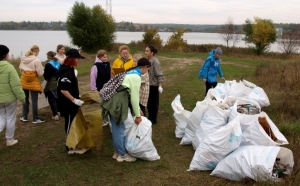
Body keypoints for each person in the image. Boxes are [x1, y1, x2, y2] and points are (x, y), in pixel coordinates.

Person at [101, 58, 151, 162]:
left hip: (112, 101)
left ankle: (117, 152)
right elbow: (134, 97)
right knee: (119, 128)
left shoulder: (129, 73)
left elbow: (132, 95)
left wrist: (137, 109)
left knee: (117, 127)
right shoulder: (136, 77)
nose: (147, 71)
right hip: (117, 102)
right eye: (148, 69)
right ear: (145, 67)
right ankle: (122, 155)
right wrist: (137, 115)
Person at [56, 48, 86, 154]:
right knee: (69, 123)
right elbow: (63, 90)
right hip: (67, 103)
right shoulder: (66, 72)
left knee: (73, 122)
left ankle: (73, 142)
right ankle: (69, 146)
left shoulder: (70, 69)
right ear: (72, 59)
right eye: (77, 58)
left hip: (72, 102)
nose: (78, 61)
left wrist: (77, 95)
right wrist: (74, 100)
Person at [0, 45, 26, 146]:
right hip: (9, 99)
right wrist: (22, 98)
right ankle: (9, 139)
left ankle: (9, 139)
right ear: (5, 55)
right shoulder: (9, 67)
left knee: (1, 117)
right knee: (10, 118)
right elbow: (15, 85)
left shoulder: (9, 67)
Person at [19, 45, 45, 123]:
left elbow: (20, 69)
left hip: (24, 80)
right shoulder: (37, 60)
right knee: (34, 100)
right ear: (36, 52)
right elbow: (40, 73)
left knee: (25, 99)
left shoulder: (23, 59)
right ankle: (35, 117)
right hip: (33, 80)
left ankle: (24, 116)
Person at [90, 50, 111, 126]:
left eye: (106, 57)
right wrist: (94, 89)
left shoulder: (108, 64)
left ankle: (107, 118)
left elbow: (110, 75)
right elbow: (93, 78)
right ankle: (102, 120)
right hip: (99, 89)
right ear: (99, 57)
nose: (105, 58)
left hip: (108, 88)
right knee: (101, 105)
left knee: (108, 104)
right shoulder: (96, 66)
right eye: (104, 57)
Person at [145, 46, 164, 124]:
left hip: (154, 85)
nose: (145, 52)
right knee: (148, 102)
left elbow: (159, 74)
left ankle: (153, 119)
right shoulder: (146, 60)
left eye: (147, 51)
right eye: (145, 51)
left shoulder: (155, 62)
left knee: (154, 103)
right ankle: (150, 117)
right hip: (147, 84)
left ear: (152, 53)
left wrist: (160, 86)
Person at [44, 51, 60, 121]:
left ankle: (55, 114)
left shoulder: (48, 65)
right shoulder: (59, 63)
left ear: (48, 56)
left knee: (51, 98)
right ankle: (59, 111)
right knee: (58, 97)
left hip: (51, 82)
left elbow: (46, 76)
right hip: (59, 82)